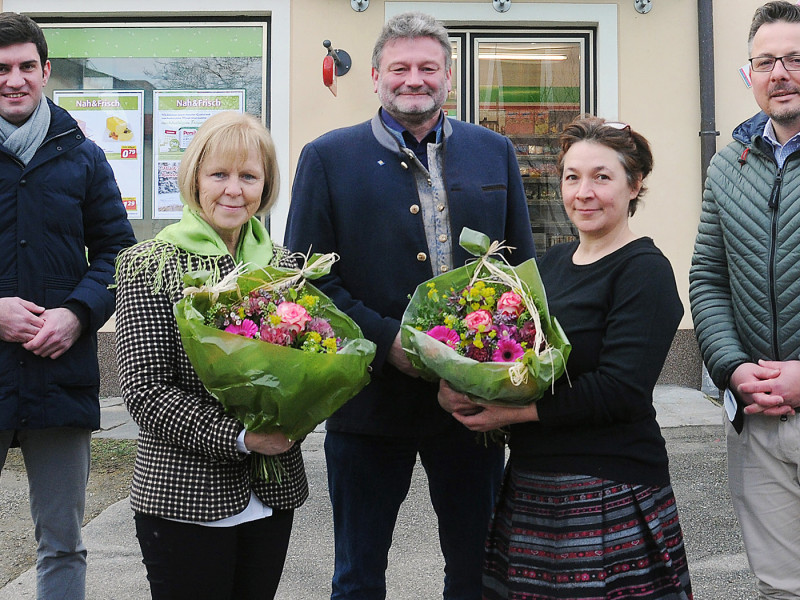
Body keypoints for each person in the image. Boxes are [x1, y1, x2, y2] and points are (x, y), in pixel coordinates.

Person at [284, 11, 536, 600]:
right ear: (375, 75)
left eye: (428, 68)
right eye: (399, 68)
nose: (413, 79)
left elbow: (518, 270)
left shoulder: (494, 152)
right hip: (369, 404)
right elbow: (308, 279)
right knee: (358, 575)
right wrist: (388, 344)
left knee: (477, 573)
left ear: (448, 76)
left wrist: (504, 368)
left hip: (474, 405)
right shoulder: (327, 157)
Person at [440, 116, 693, 600]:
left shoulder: (644, 271)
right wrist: (459, 381)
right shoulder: (549, 266)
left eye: (602, 177)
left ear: (635, 185)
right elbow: (508, 354)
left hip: (607, 485)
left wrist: (511, 413)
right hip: (534, 480)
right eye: (572, 177)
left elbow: (620, 391)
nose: (584, 192)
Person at [114, 111, 308, 600]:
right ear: (194, 179)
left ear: (265, 187)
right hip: (183, 493)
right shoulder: (150, 264)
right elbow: (145, 391)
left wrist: (301, 411)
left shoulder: (286, 268)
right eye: (219, 174)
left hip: (271, 493)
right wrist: (243, 437)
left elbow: (309, 367)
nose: (233, 190)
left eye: (249, 176)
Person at [0, 12, 136, 600]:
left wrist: (77, 313)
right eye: (2, 68)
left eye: (27, 66)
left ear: (46, 71)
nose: (15, 79)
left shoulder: (84, 156)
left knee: (62, 541)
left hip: (60, 377)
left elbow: (117, 254)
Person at [689, 2, 800, 597]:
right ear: (750, 73)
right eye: (765, 61)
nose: (779, 72)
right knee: (780, 587)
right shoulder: (727, 167)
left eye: (795, 58)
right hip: (757, 421)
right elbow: (708, 277)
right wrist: (733, 369)